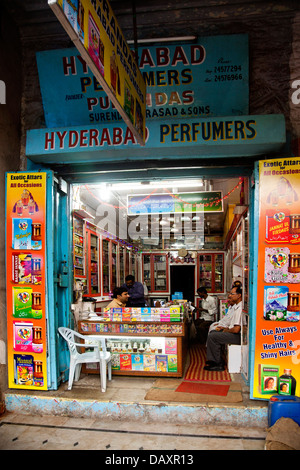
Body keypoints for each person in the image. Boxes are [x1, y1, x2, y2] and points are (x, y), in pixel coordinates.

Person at [204, 285, 243, 371]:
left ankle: (218, 364)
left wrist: (226, 330)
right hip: (233, 332)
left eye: (232, 294)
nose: (230, 296)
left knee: (213, 337)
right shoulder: (236, 306)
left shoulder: (240, 308)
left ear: (239, 295)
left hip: (238, 337)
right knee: (213, 333)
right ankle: (215, 360)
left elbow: (236, 329)